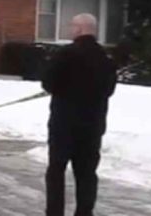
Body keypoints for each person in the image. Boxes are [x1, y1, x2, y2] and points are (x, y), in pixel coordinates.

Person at [41, 13, 117, 216]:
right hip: (92, 126)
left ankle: (54, 212)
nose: (70, 29)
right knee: (87, 173)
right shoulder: (106, 58)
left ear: (80, 29)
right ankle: (85, 212)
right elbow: (109, 90)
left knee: (56, 170)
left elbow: (49, 83)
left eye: (72, 25)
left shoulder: (66, 54)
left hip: (63, 124)